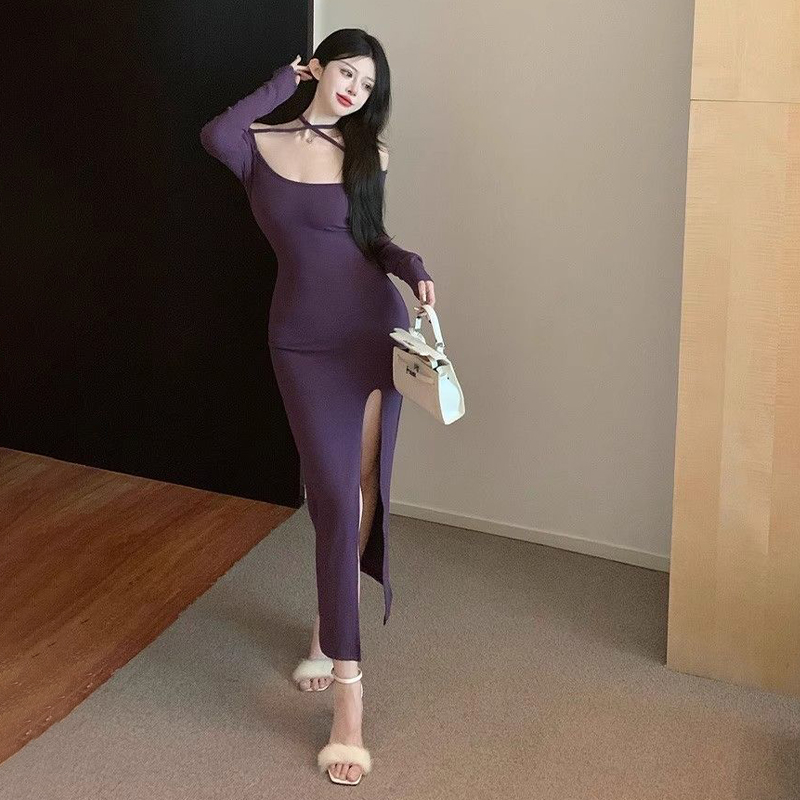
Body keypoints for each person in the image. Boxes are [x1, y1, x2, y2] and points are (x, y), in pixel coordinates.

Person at [199, 28, 435, 786]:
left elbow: (371, 241)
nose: (355, 90)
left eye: (368, 84)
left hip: (370, 330)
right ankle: (335, 634)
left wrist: (410, 264)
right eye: (346, 73)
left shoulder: (370, 155)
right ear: (320, 68)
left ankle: (346, 703)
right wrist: (284, 79)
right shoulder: (256, 146)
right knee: (329, 492)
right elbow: (215, 132)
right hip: (301, 340)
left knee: (355, 491)